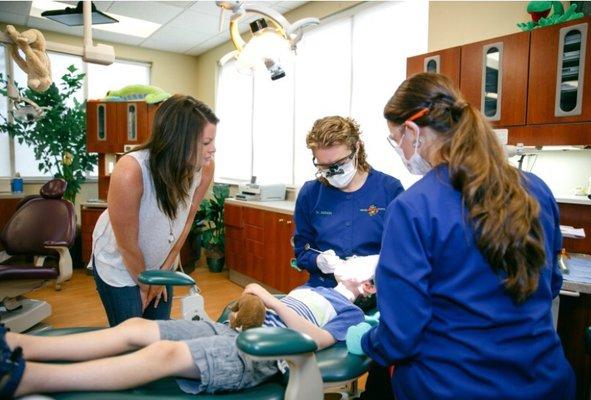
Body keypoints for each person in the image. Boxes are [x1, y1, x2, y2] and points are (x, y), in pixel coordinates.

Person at [347, 72, 575, 399]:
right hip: (544, 381)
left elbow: (401, 334)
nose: (399, 148)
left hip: (453, 385)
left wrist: (367, 339)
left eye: (396, 139)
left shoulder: (413, 207)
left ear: (412, 131)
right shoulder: (535, 189)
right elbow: (551, 284)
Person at [0, 267, 376, 398]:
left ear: (370, 289)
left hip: (264, 350)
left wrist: (272, 301)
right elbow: (251, 305)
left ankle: (28, 379)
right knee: (134, 328)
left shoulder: (347, 313)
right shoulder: (308, 289)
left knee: (164, 357)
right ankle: (16, 341)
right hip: (232, 328)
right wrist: (253, 298)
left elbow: (315, 340)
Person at [91, 94, 218, 326]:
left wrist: (163, 271)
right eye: (206, 143)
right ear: (181, 140)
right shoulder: (131, 170)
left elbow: (187, 219)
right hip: (120, 264)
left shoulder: (204, 169)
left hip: (161, 261)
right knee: (131, 338)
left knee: (159, 332)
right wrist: (146, 283)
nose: (213, 150)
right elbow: (127, 246)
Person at [294, 115, 404, 289]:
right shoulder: (310, 193)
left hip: (375, 289)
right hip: (324, 287)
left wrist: (373, 265)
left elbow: (403, 251)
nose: (332, 172)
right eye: (323, 166)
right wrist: (318, 261)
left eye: (339, 163)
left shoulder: (389, 190)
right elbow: (302, 251)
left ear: (357, 148)